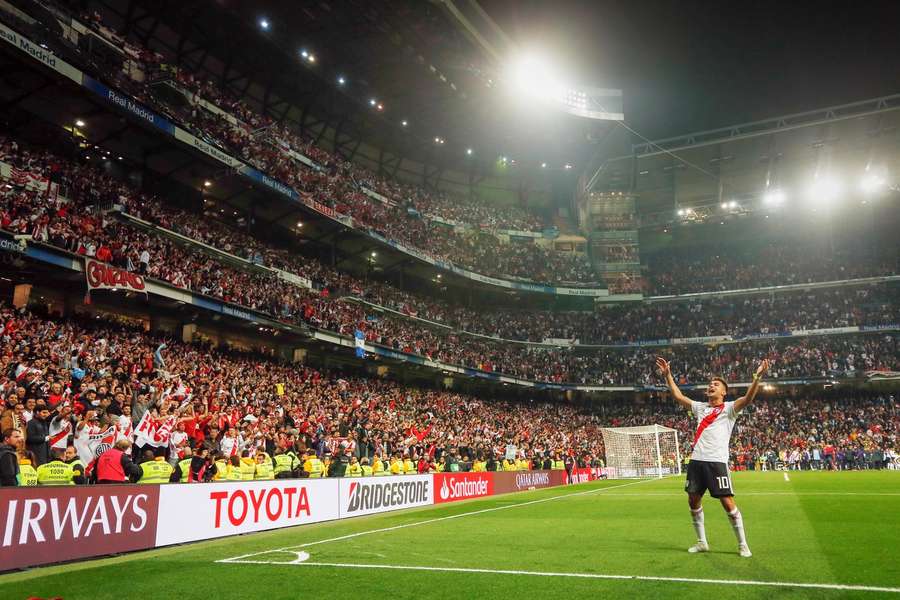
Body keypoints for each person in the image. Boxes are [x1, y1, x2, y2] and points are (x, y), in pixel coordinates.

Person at [656, 356, 769, 558]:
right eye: (710, 384)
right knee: (693, 500)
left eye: (716, 385)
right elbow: (678, 396)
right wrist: (668, 376)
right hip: (696, 461)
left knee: (727, 502)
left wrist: (757, 377)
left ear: (724, 392)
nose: (711, 386)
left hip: (716, 462)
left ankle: (743, 544)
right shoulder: (700, 407)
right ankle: (702, 542)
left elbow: (748, 399)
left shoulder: (729, 409)